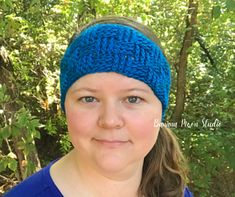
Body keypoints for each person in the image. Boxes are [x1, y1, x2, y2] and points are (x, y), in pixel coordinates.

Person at [4, 16, 193, 197]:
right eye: (89, 99)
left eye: (133, 99)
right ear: (65, 107)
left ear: (160, 110)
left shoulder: (173, 190)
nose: (110, 120)